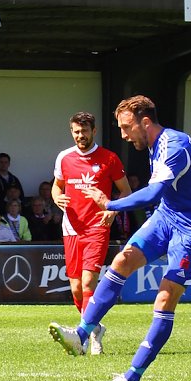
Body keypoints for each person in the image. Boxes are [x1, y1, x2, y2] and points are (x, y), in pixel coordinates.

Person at [50, 95, 191, 381]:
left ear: (145, 122)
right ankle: (80, 334)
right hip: (168, 216)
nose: (123, 135)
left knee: (165, 298)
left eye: (126, 127)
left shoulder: (174, 145)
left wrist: (111, 205)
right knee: (121, 261)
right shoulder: (156, 144)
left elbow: (152, 194)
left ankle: (131, 377)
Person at [51, 111, 131, 355]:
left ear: (94, 131)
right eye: (76, 131)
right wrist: (57, 198)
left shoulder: (109, 158)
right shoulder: (64, 158)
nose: (80, 136)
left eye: (84, 131)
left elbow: (126, 191)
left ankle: (82, 339)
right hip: (71, 227)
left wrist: (113, 210)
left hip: (97, 227)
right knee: (75, 288)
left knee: (88, 282)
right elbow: (56, 186)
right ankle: (95, 330)